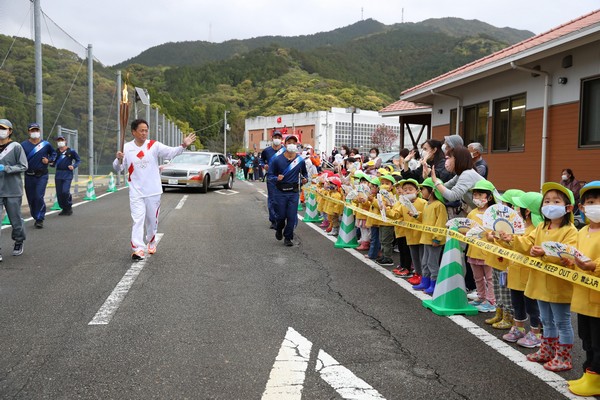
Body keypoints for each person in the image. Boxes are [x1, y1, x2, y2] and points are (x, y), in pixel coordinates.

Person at [498, 182, 578, 371]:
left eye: (556, 201)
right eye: (547, 201)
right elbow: (527, 243)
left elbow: (568, 255)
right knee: (546, 320)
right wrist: (511, 239)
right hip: (540, 282)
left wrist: (542, 252)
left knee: (562, 322)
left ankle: (563, 357)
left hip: (559, 285)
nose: (550, 204)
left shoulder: (570, 230)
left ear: (568, 208)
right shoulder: (542, 226)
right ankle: (547, 350)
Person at [114, 119, 196, 260]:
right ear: (134, 132)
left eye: (146, 130)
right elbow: (118, 168)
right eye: (141, 130)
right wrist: (118, 159)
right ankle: (138, 248)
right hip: (136, 191)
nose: (144, 133)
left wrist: (183, 145)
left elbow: (170, 153)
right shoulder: (126, 147)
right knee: (138, 219)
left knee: (152, 220)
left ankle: (151, 241)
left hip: (153, 191)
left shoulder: (153, 145)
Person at [564, 181, 600, 396]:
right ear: (583, 207)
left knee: (599, 342)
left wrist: (594, 266)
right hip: (583, 298)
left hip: (597, 300)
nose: (595, 206)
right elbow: (574, 254)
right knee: (586, 339)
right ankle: (589, 374)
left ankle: (596, 378)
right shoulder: (583, 230)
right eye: (591, 202)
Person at [499, 192, 543, 348]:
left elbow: (526, 245)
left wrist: (510, 238)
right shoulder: (522, 226)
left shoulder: (536, 229)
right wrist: (503, 239)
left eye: (519, 207)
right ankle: (518, 327)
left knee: (532, 305)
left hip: (528, 274)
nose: (517, 210)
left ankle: (536, 332)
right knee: (517, 302)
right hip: (515, 272)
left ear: (528, 210)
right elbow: (513, 245)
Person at [270, 135, 308, 246]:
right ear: (285, 144)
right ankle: (279, 228)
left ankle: (288, 238)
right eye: (289, 142)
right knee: (281, 216)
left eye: (294, 143)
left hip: (293, 192)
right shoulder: (277, 160)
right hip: (280, 192)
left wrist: (305, 179)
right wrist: (276, 178)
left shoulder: (300, 160)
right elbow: (270, 176)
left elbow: (304, 173)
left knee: (291, 217)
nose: (292, 144)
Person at [465, 180, 497, 313]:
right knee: (477, 277)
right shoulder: (472, 213)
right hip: (473, 250)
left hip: (488, 251)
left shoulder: (494, 213)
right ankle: (481, 296)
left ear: (489, 197)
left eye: (480, 195)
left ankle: (491, 301)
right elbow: (466, 228)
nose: (477, 198)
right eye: (475, 195)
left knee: (490, 278)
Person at [412, 177, 447, 295]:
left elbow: (441, 223)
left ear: (432, 190)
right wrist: (416, 215)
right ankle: (425, 282)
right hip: (426, 238)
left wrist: (437, 238)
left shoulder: (439, 205)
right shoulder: (428, 204)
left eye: (423, 189)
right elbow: (425, 219)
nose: (421, 191)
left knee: (432, 263)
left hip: (433, 240)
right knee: (425, 261)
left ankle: (434, 284)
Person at [0, 119, 28, 257]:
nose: (1, 131)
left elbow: (23, 166)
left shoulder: (16, 147)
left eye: (3, 128)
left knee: (15, 220)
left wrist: (6, 168)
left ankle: (18, 240)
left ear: (10, 131)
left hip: (12, 190)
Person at [432, 146, 490, 210]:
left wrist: (436, 182)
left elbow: (452, 196)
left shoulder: (467, 174)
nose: (446, 161)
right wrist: (432, 181)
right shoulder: (461, 174)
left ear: (457, 159)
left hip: (492, 211)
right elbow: (445, 186)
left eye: (448, 158)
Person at [21, 122, 56, 228]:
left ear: (39, 131)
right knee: (31, 198)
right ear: (28, 132)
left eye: (36, 130)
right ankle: (35, 216)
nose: (35, 132)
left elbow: (54, 154)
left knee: (38, 196)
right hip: (28, 176)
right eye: (32, 130)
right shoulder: (23, 145)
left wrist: (49, 160)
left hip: (42, 175)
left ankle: (40, 218)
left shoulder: (46, 144)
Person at [261, 131, 286, 229]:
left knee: (281, 199)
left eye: (279, 137)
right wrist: (264, 165)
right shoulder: (267, 151)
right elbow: (261, 160)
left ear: (281, 139)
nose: (277, 139)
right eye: (275, 137)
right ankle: (273, 220)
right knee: (272, 199)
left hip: (282, 178)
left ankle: (281, 218)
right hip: (271, 178)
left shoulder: (285, 150)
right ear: (272, 138)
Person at [51, 136, 80, 216]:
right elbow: (53, 163)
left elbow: (78, 160)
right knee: (59, 193)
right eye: (58, 140)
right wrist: (50, 163)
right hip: (58, 173)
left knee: (65, 191)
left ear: (65, 141)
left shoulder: (71, 151)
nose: (60, 142)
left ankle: (68, 206)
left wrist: (73, 166)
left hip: (67, 173)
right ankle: (64, 208)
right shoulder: (56, 152)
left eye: (62, 140)